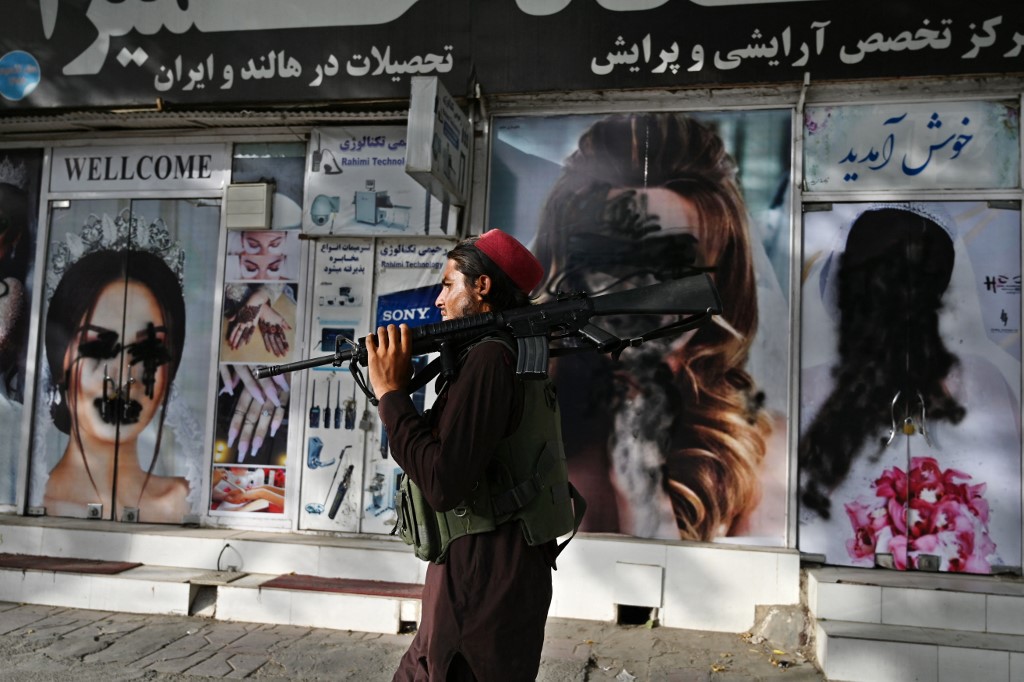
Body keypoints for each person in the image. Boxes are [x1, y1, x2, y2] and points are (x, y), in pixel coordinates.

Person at [532, 112, 773, 540]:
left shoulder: (754, 451)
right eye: (611, 261)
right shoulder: (526, 399)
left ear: (720, 278)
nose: (638, 292)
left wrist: (643, 491)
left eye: (673, 265)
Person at [366, 229, 570, 681]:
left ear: (482, 287)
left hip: (483, 576)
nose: (439, 300)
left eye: (448, 284)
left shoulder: (491, 359)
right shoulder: (501, 354)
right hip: (479, 568)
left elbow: (442, 482)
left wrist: (392, 396)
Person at [42, 245, 190, 522]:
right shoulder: (26, 502)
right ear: (61, 359)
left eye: (148, 351)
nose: (123, 377)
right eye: (97, 346)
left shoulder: (193, 502)